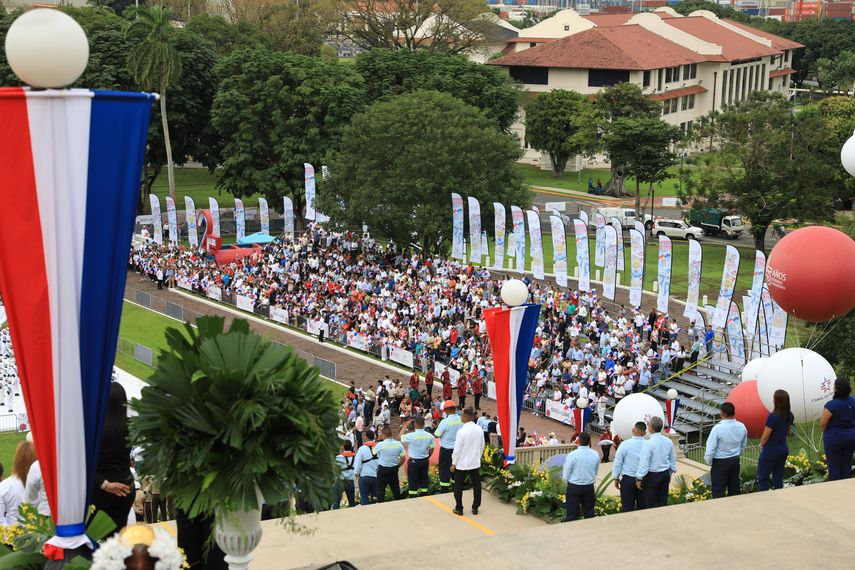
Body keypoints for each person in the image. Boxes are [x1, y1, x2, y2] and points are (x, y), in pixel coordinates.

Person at [92, 382, 134, 534]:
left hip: (100, 486)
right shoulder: (131, 426)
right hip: (125, 484)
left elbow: (84, 464)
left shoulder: (94, 428)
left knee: (96, 537)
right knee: (117, 537)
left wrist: (104, 485)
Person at [704, 402, 748, 498]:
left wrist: (709, 461)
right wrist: (738, 454)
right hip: (735, 461)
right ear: (734, 413)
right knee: (734, 490)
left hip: (720, 462)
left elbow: (711, 447)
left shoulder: (718, 428)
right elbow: (743, 444)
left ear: (722, 413)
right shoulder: (741, 426)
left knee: (718, 491)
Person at [757, 389, 794, 491]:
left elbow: (766, 436)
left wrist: (761, 444)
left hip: (770, 450)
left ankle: (765, 497)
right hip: (783, 449)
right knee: (778, 477)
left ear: (777, 401)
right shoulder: (790, 415)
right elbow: (789, 431)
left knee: (763, 477)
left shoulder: (773, 416)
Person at [636, 416, 676, 509]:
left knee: (651, 503)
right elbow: (672, 459)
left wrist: (639, 478)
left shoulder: (648, 443)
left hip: (652, 476)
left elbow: (644, 463)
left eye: (648, 425)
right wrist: (670, 473)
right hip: (664, 474)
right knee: (663, 501)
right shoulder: (668, 441)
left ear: (651, 428)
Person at [451, 408, 485, 516]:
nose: (460, 417)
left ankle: (459, 508)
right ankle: (475, 507)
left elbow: (457, 449)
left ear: (465, 417)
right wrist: (477, 457)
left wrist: (454, 463)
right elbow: (482, 445)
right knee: (477, 484)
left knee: (458, 485)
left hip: (462, 463)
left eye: (461, 415)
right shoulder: (479, 429)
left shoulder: (461, 431)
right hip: (474, 462)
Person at [820, 379, 855, 481]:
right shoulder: (853, 400)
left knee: (834, 467)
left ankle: (835, 489)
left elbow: (823, 423)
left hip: (834, 439)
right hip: (851, 438)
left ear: (836, 389)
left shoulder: (832, 405)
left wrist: (825, 432)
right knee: (847, 465)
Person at [561, 432, 600, 522]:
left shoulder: (572, 455)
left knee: (572, 514)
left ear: (578, 441)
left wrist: (567, 482)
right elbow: (596, 471)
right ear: (590, 441)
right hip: (589, 486)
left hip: (574, 487)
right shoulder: (595, 454)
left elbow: (566, 473)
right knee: (589, 513)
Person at [612, 421, 646, 512]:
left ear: (633, 430)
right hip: (644, 479)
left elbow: (618, 462)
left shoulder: (625, 444)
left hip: (628, 479)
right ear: (645, 433)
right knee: (644, 508)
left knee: (627, 508)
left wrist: (616, 477)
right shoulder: (648, 444)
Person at [0, 441, 36, 525]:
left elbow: (1, 520)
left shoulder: (4, 486)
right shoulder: (43, 484)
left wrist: (11, 532)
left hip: (14, 530)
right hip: (39, 531)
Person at [401, 416, 435, 498]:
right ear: (424, 424)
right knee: (424, 479)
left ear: (415, 424)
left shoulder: (411, 435)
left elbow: (400, 437)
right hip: (424, 460)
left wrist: (404, 427)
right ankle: (424, 495)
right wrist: (427, 456)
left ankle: (413, 496)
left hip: (414, 461)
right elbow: (432, 448)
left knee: (413, 480)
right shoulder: (430, 436)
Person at [435, 401, 463, 492]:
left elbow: (437, 435)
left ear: (446, 410)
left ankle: (444, 489)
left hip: (446, 450)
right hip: (459, 449)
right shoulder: (461, 419)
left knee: (444, 469)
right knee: (457, 468)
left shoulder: (445, 421)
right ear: (455, 409)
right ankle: (456, 487)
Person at [374, 427, 405, 502]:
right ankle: (399, 503)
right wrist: (397, 466)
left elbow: (373, 452)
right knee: (395, 489)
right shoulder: (398, 444)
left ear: (383, 435)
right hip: (393, 469)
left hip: (383, 470)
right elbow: (403, 458)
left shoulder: (380, 444)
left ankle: (380, 505)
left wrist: (377, 440)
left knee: (380, 489)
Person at [353, 429, 379, 505]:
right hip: (376, 476)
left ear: (365, 437)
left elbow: (357, 464)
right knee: (375, 499)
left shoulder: (362, 449)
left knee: (364, 499)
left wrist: (356, 473)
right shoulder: (378, 447)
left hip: (365, 476)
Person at [332, 441, 356, 509]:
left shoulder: (339, 457)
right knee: (352, 503)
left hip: (340, 481)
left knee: (336, 502)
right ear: (351, 447)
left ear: (343, 447)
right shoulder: (355, 456)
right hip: (350, 481)